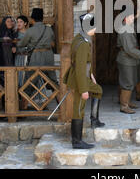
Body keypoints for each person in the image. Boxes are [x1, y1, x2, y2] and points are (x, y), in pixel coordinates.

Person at [63, 13, 104, 149]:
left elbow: (85, 63)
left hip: (84, 76)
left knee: (98, 90)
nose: (96, 30)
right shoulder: (83, 44)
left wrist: (91, 74)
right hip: (80, 79)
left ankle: (94, 120)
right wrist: (84, 90)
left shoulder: (80, 38)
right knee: (79, 107)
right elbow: (80, 68)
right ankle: (77, 141)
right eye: (95, 27)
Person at [17, 8, 57, 103]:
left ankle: (23, 107)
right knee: (53, 82)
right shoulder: (49, 29)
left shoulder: (30, 31)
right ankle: (61, 105)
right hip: (49, 57)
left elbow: (21, 44)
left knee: (29, 82)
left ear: (32, 19)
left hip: (36, 56)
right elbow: (52, 41)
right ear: (42, 18)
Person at [116, 13, 140, 114]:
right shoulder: (126, 30)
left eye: (132, 16)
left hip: (131, 59)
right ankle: (124, 106)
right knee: (127, 83)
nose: (133, 18)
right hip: (127, 59)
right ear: (125, 19)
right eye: (130, 16)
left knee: (129, 80)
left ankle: (126, 101)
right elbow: (129, 49)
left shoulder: (128, 27)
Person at [14, 15, 29, 110]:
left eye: (20, 22)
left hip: (28, 58)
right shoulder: (15, 34)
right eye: (17, 22)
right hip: (18, 58)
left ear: (25, 23)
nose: (18, 24)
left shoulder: (29, 33)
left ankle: (26, 103)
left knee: (27, 80)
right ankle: (18, 103)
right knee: (18, 80)